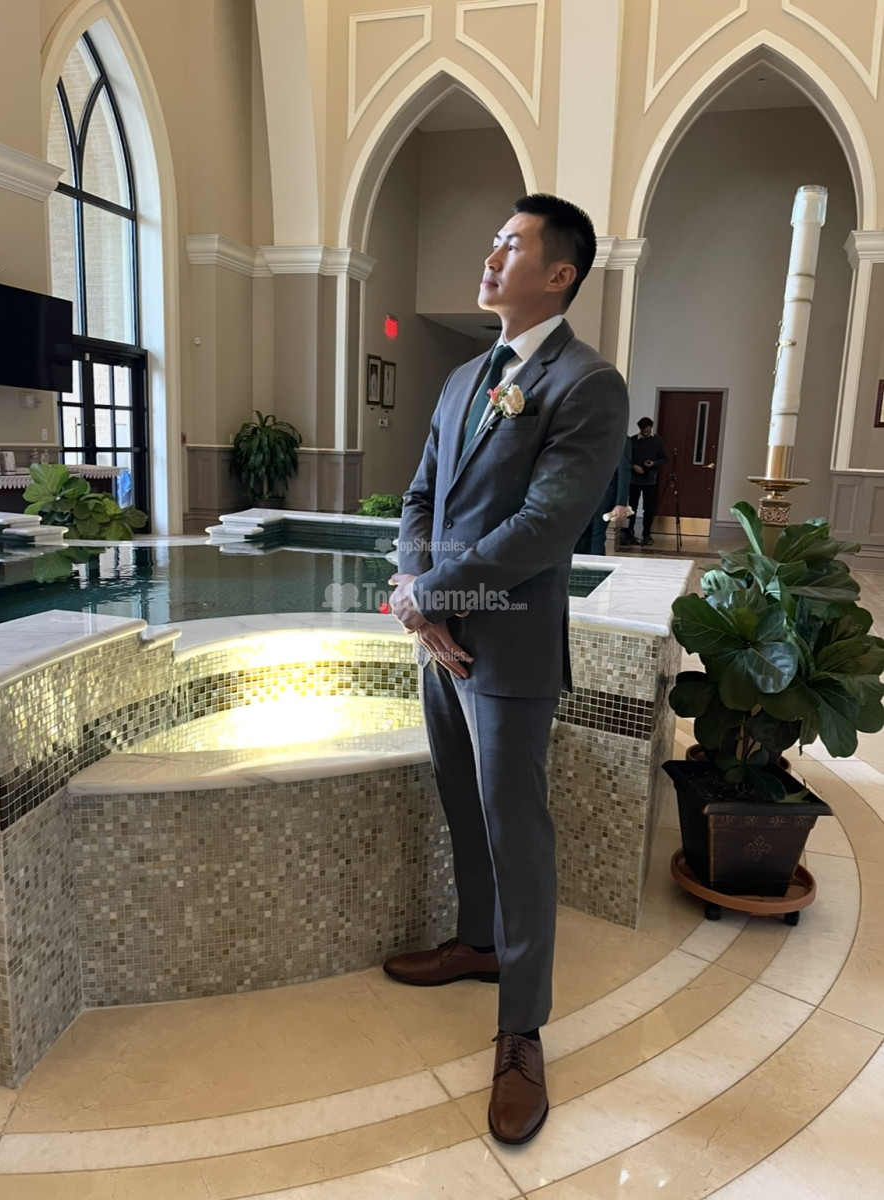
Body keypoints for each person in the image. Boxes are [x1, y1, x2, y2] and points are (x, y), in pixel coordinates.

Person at [385, 194, 628, 1145]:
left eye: (512, 245)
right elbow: (417, 499)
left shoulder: (587, 383)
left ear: (560, 274)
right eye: (493, 240)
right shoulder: (460, 381)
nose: (491, 255)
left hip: (509, 647)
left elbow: (546, 527)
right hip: (442, 640)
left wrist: (432, 596)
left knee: (515, 829)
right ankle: (478, 944)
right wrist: (420, 592)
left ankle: (521, 1028)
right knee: (461, 801)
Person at [574, 434, 631, 555]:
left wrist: (621, 502)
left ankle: (594, 566)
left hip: (604, 496)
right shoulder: (585, 435)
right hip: (581, 497)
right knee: (581, 538)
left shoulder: (619, 437)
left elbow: (624, 470)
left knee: (596, 537)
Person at [623, 417, 667, 546]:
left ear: (651, 428)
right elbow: (626, 459)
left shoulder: (657, 440)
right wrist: (634, 466)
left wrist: (654, 464)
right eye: (644, 431)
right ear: (640, 429)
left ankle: (647, 533)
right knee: (632, 507)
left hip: (650, 479)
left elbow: (664, 458)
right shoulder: (633, 441)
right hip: (635, 480)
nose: (646, 433)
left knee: (649, 508)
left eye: (648, 431)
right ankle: (629, 533)